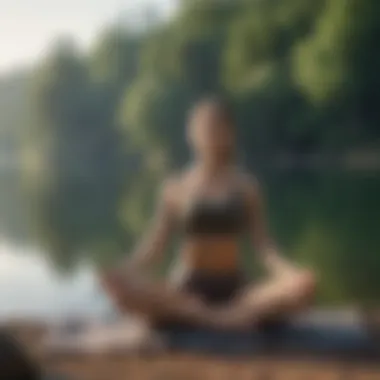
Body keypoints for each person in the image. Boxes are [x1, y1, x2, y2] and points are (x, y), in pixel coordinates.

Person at [101, 97, 317, 333]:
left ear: (229, 134)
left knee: (302, 289)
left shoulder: (246, 187)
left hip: (235, 288)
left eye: (217, 128)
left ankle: (215, 316)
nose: (210, 135)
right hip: (186, 291)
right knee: (122, 292)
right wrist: (125, 271)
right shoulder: (175, 187)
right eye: (202, 127)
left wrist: (292, 273)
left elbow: (264, 247)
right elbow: (154, 247)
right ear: (190, 133)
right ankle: (216, 317)